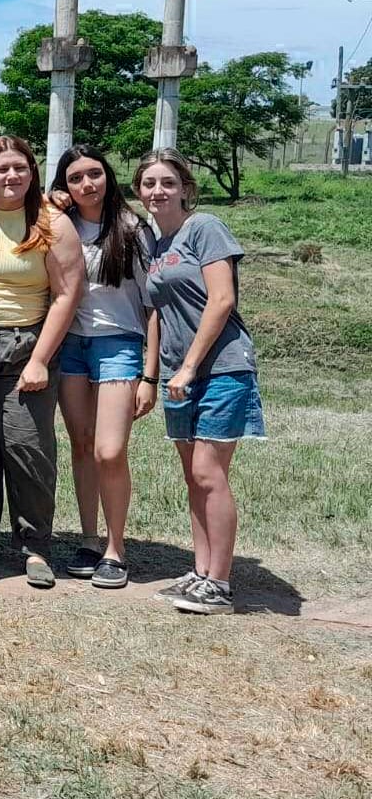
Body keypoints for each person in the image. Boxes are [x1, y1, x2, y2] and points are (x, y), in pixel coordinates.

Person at [136, 148, 262, 615]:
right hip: (175, 373)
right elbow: (155, 313)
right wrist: (154, 373)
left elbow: (222, 299)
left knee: (210, 473)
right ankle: (202, 571)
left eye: (167, 182)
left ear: (185, 188)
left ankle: (221, 583)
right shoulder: (154, 245)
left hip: (221, 367)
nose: (158, 191)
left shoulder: (204, 228)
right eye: (149, 183)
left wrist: (189, 365)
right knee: (193, 476)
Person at [0, 136, 84, 587]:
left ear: (32, 171)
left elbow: (68, 294)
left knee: (27, 448)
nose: (12, 177)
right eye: (1, 169)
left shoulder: (50, 222)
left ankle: (34, 546)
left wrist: (41, 360)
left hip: (26, 346)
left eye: (21, 168)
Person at [50, 146, 157, 588]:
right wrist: (49, 203)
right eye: (75, 178)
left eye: (94, 174)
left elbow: (154, 306)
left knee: (109, 451)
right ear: (64, 185)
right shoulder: (61, 225)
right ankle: (91, 539)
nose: (87, 184)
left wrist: (150, 374)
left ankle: (117, 548)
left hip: (120, 344)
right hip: (72, 344)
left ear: (108, 177)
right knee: (82, 443)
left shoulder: (133, 229)